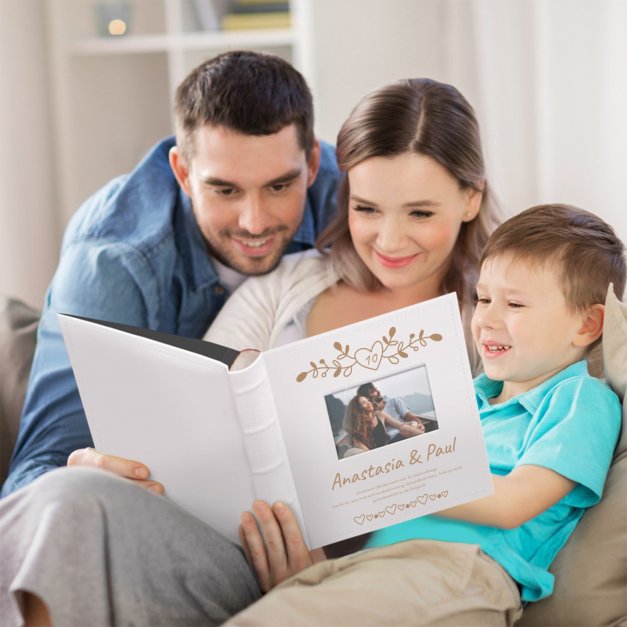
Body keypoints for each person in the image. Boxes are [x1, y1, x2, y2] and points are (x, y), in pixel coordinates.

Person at [0, 77, 501, 626]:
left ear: (470, 198)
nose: (388, 239)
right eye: (367, 209)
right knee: (70, 498)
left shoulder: (491, 323)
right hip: (216, 546)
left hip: (360, 580)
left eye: (420, 214)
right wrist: (110, 464)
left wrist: (321, 577)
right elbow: (188, 408)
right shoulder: (289, 282)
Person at [224, 204, 624, 626]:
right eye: (483, 298)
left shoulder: (581, 398)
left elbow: (512, 503)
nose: (486, 318)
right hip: (373, 565)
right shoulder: (467, 394)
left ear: (586, 325)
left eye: (515, 304)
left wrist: (389, 474)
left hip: (460, 571)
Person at [1, 50, 340, 497]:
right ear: (182, 172)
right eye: (224, 189)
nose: (254, 222)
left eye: (279, 186)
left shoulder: (355, 201)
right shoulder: (113, 263)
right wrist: (79, 482)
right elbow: (31, 478)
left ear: (312, 163)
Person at [356, 380, 428, 440]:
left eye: (375, 389)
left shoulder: (393, 401)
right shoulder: (369, 412)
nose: (377, 391)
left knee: (408, 427)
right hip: (392, 439)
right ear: (367, 396)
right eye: (372, 391)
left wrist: (420, 424)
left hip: (407, 431)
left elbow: (410, 417)